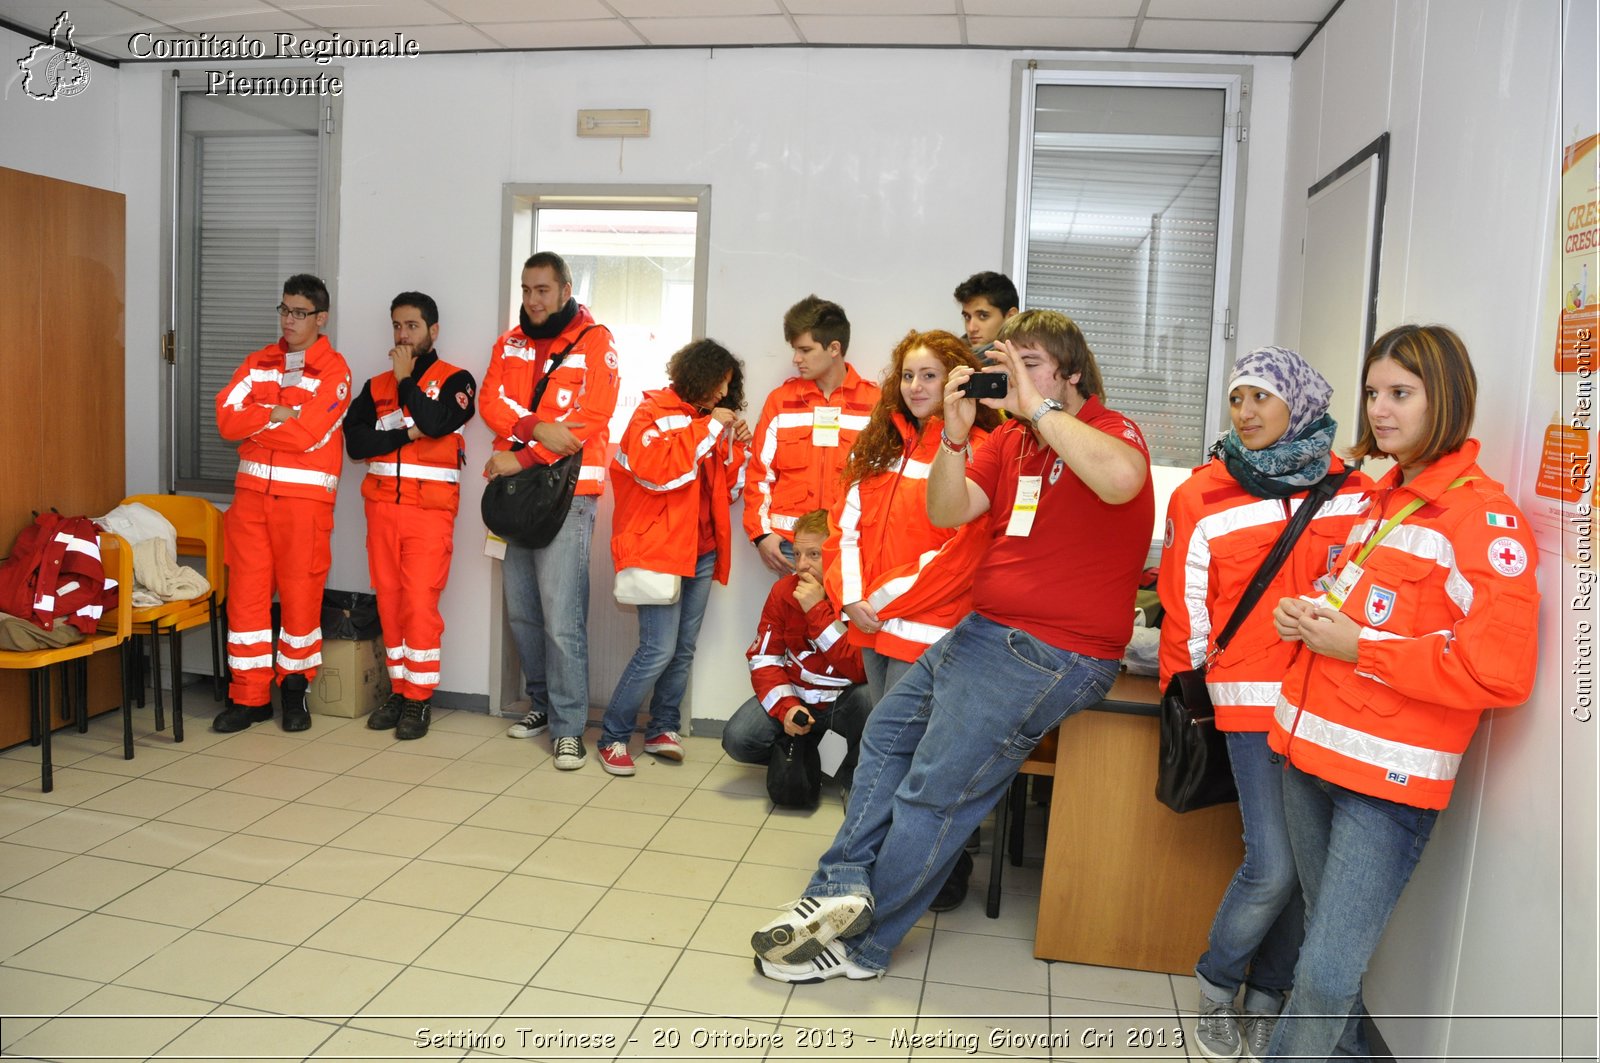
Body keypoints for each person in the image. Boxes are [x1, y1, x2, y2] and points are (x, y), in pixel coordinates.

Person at [749, 309, 1155, 983]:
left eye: (1031, 364)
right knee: (883, 738)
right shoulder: (1012, 445)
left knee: (934, 790)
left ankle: (861, 945)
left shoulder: (1107, 430)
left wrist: (1038, 406)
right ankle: (840, 889)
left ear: (1072, 374)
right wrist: (957, 440)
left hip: (1053, 650)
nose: (1014, 380)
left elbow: (1120, 480)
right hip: (983, 632)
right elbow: (946, 508)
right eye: (1007, 365)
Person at [1264, 325, 1539, 1061]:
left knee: (1323, 971)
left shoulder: (1480, 518)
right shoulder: (1380, 497)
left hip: (1383, 785)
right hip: (1310, 751)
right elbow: (1360, 600)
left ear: (1443, 397)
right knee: (1326, 944)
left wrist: (1360, 647)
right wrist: (1309, 616)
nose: (1380, 410)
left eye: (1401, 394)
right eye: (1374, 393)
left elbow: (1498, 671)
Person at [1157, 347, 1371, 1062]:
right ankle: (1218, 983)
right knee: (1274, 865)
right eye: (1236, 399)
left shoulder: (1354, 488)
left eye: (1260, 398)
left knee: (1310, 870)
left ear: (1300, 404)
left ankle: (1270, 994)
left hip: (1328, 704)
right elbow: (1184, 608)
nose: (1243, 413)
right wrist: (1184, 695)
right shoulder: (1203, 493)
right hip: (1248, 702)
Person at [825, 328, 1001, 911]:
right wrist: (850, 596)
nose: (917, 386)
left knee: (926, 764)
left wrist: (880, 600)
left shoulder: (975, 448)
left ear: (956, 381)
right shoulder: (880, 444)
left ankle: (938, 869)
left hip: (929, 633)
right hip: (872, 626)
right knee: (886, 755)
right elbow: (842, 526)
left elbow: (959, 550)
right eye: (907, 375)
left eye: (930, 375)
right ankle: (879, 866)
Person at [482, 252, 619, 770]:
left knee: (563, 620)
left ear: (565, 290)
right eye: (526, 290)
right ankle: (540, 703)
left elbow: (590, 419)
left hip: (569, 496)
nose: (532, 300)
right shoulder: (509, 342)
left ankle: (568, 729)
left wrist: (520, 455)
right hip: (516, 498)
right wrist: (535, 428)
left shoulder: (595, 342)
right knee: (523, 611)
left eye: (542, 290)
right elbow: (491, 402)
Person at [597, 340, 752, 775]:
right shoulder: (650, 414)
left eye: (728, 388)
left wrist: (738, 443)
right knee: (656, 650)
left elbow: (730, 488)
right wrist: (708, 430)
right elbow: (659, 472)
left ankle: (663, 727)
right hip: (658, 552)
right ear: (698, 376)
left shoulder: (708, 423)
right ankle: (613, 735)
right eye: (719, 386)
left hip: (701, 552)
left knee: (682, 650)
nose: (723, 396)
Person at [213, 273, 352, 732]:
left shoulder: (334, 371)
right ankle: (249, 698)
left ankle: (295, 693)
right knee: (247, 605)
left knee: (300, 601)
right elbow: (224, 417)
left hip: (303, 507)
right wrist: (272, 413)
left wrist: (254, 423)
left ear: (321, 318)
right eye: (284, 309)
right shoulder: (257, 363)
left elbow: (306, 434)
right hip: (250, 503)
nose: (289, 320)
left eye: (299, 312)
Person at [344, 292, 477, 741]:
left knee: (420, 607)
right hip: (381, 512)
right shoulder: (373, 385)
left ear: (432, 331)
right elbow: (356, 445)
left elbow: (438, 422)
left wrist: (406, 383)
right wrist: (407, 432)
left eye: (412, 326)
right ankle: (399, 691)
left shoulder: (457, 379)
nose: (403, 334)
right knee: (390, 605)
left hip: (428, 515)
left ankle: (419, 700)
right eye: (397, 326)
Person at [721, 509, 871, 786]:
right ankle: (808, 754)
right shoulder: (783, 591)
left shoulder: (860, 596)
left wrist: (817, 612)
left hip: (842, 705)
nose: (801, 565)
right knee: (737, 739)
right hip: (799, 699)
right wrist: (787, 708)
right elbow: (763, 659)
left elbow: (861, 670)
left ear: (838, 554)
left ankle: (845, 771)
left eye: (814, 555)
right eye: (797, 553)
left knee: (868, 697)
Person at [743, 296, 880, 575]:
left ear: (834, 348)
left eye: (805, 350)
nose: (796, 359)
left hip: (850, 545)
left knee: (842, 620)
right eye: (795, 350)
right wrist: (761, 534)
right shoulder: (781, 402)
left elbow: (886, 483)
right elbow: (759, 473)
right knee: (792, 618)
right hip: (790, 547)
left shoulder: (875, 404)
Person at [953, 271, 1019, 355]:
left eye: (983, 316)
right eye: (967, 317)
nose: (971, 329)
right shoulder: (950, 359)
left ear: (1011, 317)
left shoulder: (1027, 363)